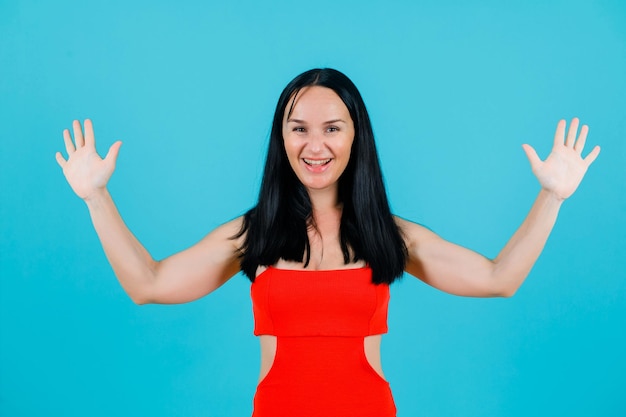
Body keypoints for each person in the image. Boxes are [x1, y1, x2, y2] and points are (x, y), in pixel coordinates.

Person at [55, 68, 600, 417]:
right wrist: (96, 197)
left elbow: (498, 279)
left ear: (355, 135)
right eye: (299, 128)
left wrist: (551, 198)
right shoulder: (253, 236)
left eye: (332, 128)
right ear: (282, 138)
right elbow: (148, 284)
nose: (315, 144)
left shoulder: (391, 235)